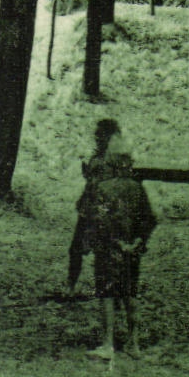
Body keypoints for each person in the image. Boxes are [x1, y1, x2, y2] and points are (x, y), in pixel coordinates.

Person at [82, 132, 157, 360]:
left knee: (107, 294)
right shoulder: (137, 189)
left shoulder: (102, 189)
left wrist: (111, 242)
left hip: (109, 250)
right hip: (132, 251)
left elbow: (99, 221)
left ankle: (108, 344)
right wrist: (137, 241)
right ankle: (134, 343)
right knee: (130, 293)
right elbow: (149, 219)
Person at [67, 119, 130, 295]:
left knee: (105, 252)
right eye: (96, 135)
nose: (96, 138)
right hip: (89, 209)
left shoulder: (118, 159)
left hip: (105, 211)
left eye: (100, 134)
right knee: (76, 248)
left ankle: (111, 290)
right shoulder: (97, 157)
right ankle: (71, 287)